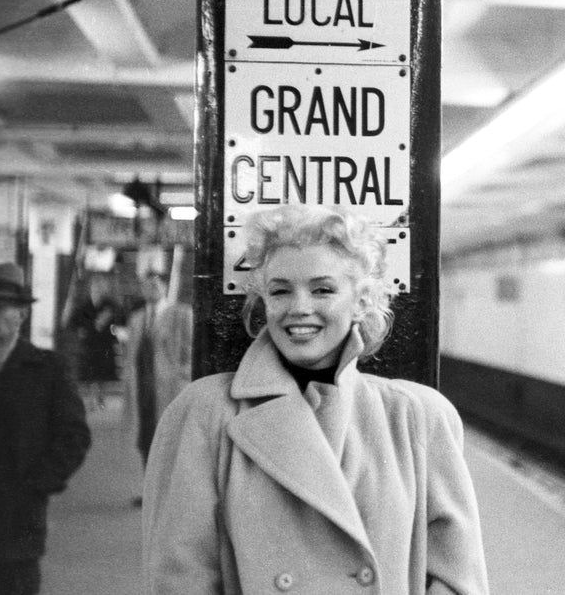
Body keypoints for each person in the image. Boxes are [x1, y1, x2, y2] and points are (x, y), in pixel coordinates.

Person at [142, 205, 489, 594]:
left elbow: (457, 579)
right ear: (264, 301)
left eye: (323, 289)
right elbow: (179, 578)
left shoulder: (417, 417)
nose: (299, 308)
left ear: (361, 301)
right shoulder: (205, 414)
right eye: (280, 291)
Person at [0, 262, 92, 595]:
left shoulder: (47, 368)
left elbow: (74, 435)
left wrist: (38, 483)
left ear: (21, 315)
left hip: (18, 523)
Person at [128, 268, 193, 479]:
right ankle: (150, 488)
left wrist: (182, 378)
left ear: (165, 287)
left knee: (169, 438)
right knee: (145, 438)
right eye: (146, 286)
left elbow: (191, 352)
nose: (151, 289)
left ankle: (170, 490)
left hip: (171, 388)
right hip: (143, 389)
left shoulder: (181, 314)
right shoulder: (137, 319)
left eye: (155, 285)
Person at [67, 270, 123, 408]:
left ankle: (100, 398)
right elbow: (73, 323)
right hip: (90, 344)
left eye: (101, 285)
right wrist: (82, 331)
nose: (98, 288)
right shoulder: (84, 306)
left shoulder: (110, 306)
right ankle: (93, 398)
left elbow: (121, 320)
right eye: (95, 285)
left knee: (102, 372)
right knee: (91, 372)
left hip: (105, 344)